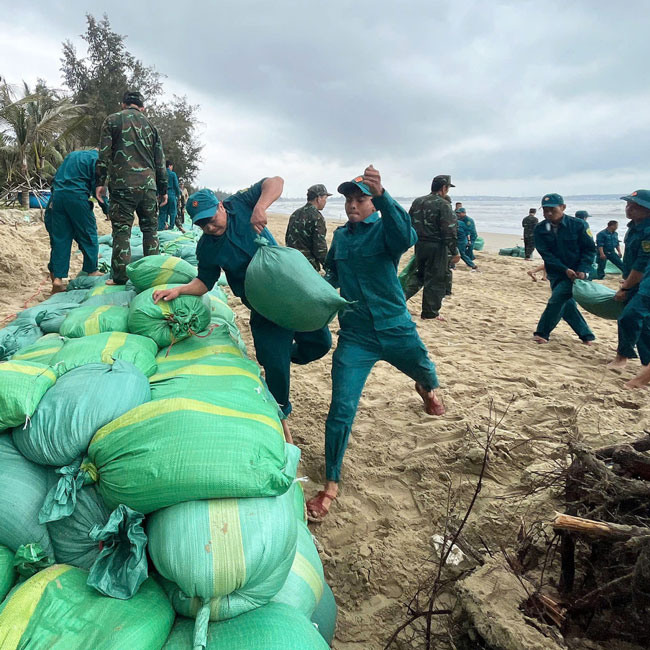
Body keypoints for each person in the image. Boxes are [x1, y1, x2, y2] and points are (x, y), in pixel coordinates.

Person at [307, 166, 445, 522]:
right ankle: (331, 485)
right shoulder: (341, 238)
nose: (353, 205)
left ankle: (427, 391)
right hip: (356, 336)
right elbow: (332, 279)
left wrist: (383, 195)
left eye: (360, 199)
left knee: (426, 372)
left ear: (371, 203)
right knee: (341, 408)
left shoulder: (385, 229)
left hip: (396, 328)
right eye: (349, 200)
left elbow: (407, 235)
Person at [151, 178, 332, 438]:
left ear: (222, 207)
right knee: (276, 370)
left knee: (321, 344)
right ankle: (280, 416)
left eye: (212, 218)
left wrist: (260, 207)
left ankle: (282, 354)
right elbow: (205, 282)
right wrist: (178, 290)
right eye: (202, 224)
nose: (210, 227)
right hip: (263, 306)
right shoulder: (206, 248)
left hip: (291, 293)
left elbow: (276, 181)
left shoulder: (241, 204)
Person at [95, 90, 167, 285]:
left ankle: (119, 277)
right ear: (141, 107)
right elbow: (160, 161)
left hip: (122, 185)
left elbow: (104, 154)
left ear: (123, 104)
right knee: (151, 230)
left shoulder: (112, 120)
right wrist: (163, 189)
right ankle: (153, 276)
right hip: (148, 187)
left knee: (121, 232)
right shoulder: (151, 127)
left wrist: (100, 182)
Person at [532, 193, 596, 344]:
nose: (548, 213)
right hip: (556, 272)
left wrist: (582, 269)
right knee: (566, 304)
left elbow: (589, 249)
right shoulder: (540, 229)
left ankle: (542, 332)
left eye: (552, 210)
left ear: (563, 207)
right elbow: (546, 254)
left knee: (557, 299)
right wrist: (564, 269)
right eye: (545, 210)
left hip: (577, 273)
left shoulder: (579, 225)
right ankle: (586, 335)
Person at [44, 149, 108, 292]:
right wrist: (107, 210)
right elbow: (99, 191)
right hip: (77, 197)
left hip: (57, 198)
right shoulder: (98, 160)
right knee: (88, 234)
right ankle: (91, 270)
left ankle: (58, 279)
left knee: (60, 239)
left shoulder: (71, 156)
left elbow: (55, 180)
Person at [403, 174, 460, 321]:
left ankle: (402, 296)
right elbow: (449, 229)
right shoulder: (443, 204)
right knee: (435, 278)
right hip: (437, 245)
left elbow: (408, 222)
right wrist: (454, 251)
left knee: (420, 274)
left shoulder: (418, 201)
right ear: (444, 188)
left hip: (419, 243)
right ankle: (430, 313)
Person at [606, 190, 650, 372]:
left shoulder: (648, 231)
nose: (629, 209)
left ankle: (621, 357)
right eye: (628, 205)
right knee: (643, 323)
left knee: (629, 317)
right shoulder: (633, 227)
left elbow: (641, 265)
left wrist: (625, 287)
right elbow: (631, 261)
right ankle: (647, 364)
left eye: (635, 206)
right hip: (635, 281)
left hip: (644, 283)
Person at [285, 184, 331, 271]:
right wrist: (328, 267)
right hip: (307, 265)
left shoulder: (295, 213)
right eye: (325, 198)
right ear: (318, 198)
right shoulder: (317, 217)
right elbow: (320, 247)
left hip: (291, 261)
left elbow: (288, 237)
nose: (325, 202)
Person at [158, 160, 181, 231]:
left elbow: (158, 184)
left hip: (163, 193)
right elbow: (176, 186)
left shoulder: (162, 173)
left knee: (163, 211)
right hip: (171, 194)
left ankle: (161, 227)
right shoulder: (172, 174)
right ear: (170, 166)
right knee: (173, 212)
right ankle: (171, 227)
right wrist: (178, 194)